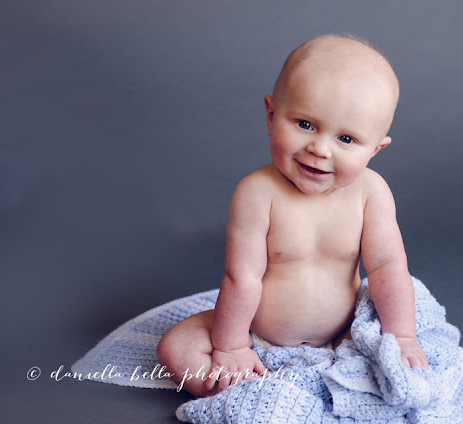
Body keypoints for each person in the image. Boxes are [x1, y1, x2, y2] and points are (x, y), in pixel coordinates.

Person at [157, 34, 428, 398]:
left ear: (375, 149)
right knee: (175, 347)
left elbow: (388, 268)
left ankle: (314, 391)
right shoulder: (256, 192)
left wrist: (402, 337)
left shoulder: (371, 192)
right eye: (305, 124)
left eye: (346, 139)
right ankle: (250, 396)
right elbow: (241, 277)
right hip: (255, 334)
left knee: (390, 364)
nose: (320, 148)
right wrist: (231, 346)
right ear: (271, 115)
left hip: (341, 334)